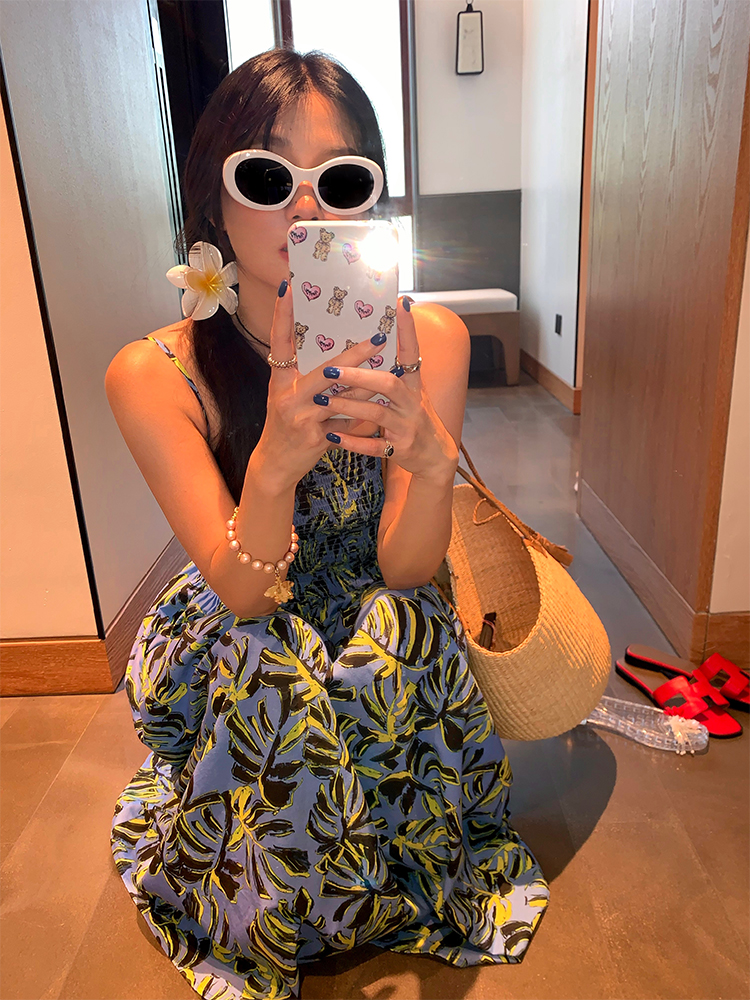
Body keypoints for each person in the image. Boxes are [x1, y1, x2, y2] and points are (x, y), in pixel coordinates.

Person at [106, 48, 549, 1000]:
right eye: (268, 178)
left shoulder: (429, 341)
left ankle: (379, 866)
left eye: (341, 181)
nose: (308, 210)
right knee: (269, 658)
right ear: (213, 199)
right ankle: (276, 896)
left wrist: (429, 463)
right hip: (241, 604)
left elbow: (406, 567)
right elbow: (241, 590)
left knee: (400, 629)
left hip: (374, 585)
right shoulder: (157, 373)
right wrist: (271, 462)